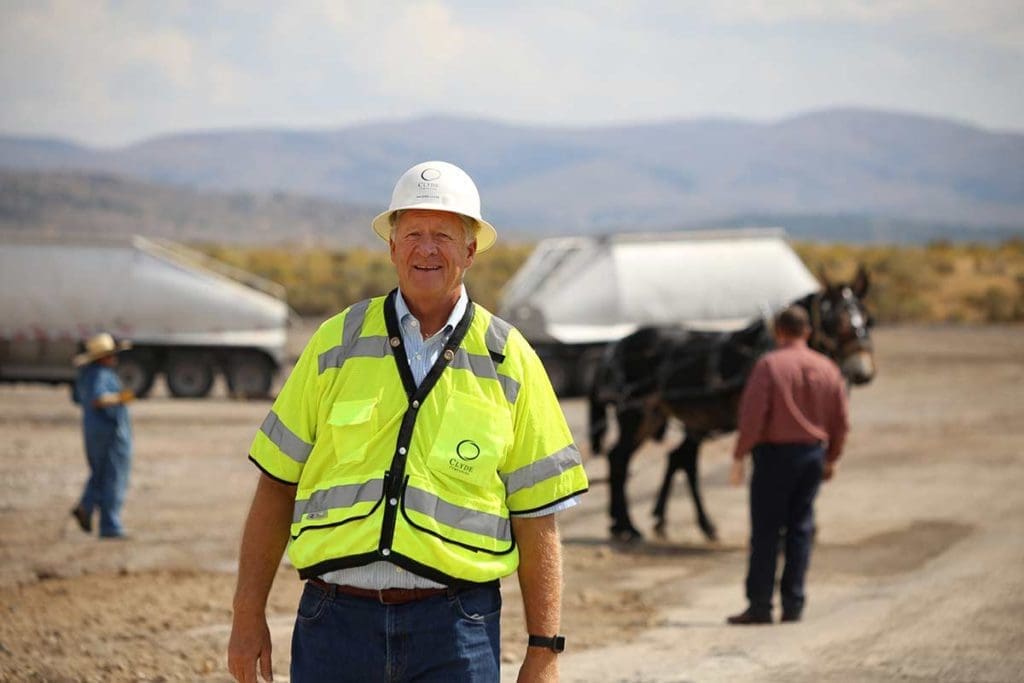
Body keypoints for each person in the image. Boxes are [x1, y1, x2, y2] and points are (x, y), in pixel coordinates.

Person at [227, 160, 589, 682]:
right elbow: (276, 486)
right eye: (413, 233)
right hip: (334, 627)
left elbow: (537, 519)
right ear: (392, 246)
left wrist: (545, 651)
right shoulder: (336, 342)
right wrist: (246, 614)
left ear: (470, 250)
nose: (426, 249)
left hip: (456, 631)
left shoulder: (511, 359)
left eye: (443, 235)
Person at [727, 305, 849, 625]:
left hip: (774, 458)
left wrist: (739, 455)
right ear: (807, 332)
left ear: (778, 332)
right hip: (811, 456)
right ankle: (793, 604)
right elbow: (841, 420)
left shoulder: (768, 365)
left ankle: (760, 605)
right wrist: (831, 457)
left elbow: (752, 417)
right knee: (800, 529)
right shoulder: (828, 368)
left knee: (766, 532)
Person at [70, 332, 135, 539]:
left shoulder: (88, 374)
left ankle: (86, 506)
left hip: (94, 431)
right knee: (113, 476)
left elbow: (79, 398)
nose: (114, 358)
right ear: (103, 356)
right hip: (108, 433)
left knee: (99, 473)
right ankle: (110, 525)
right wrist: (119, 398)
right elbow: (99, 400)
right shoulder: (100, 374)